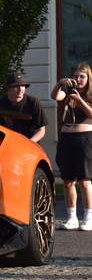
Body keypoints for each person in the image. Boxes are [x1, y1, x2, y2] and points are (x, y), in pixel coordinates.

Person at [51, 62, 92, 231]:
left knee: (85, 180)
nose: (78, 79)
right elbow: (55, 97)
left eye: (82, 76)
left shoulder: (88, 95)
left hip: (85, 139)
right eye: (75, 76)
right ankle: (71, 217)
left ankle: (88, 218)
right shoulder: (67, 91)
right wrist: (61, 82)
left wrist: (80, 100)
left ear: (88, 78)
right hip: (66, 138)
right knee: (67, 180)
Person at [0, 71, 48, 143]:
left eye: (22, 86)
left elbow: (41, 130)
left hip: (30, 146)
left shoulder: (33, 102)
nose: (20, 89)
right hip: (8, 145)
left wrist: (29, 143)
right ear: (8, 88)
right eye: (16, 86)